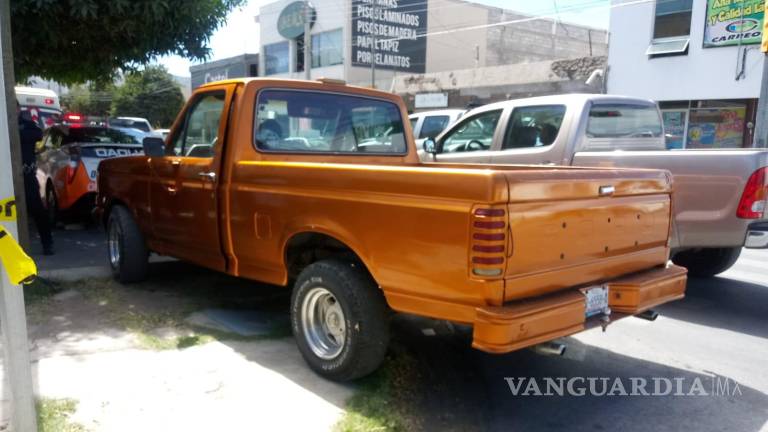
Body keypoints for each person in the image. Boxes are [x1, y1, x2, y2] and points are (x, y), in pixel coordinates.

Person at [18, 104, 54, 255]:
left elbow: (38, 134)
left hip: (26, 175)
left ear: (18, 109)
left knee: (37, 210)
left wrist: (17, 133)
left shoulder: (27, 125)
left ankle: (47, 243)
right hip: (6, 177)